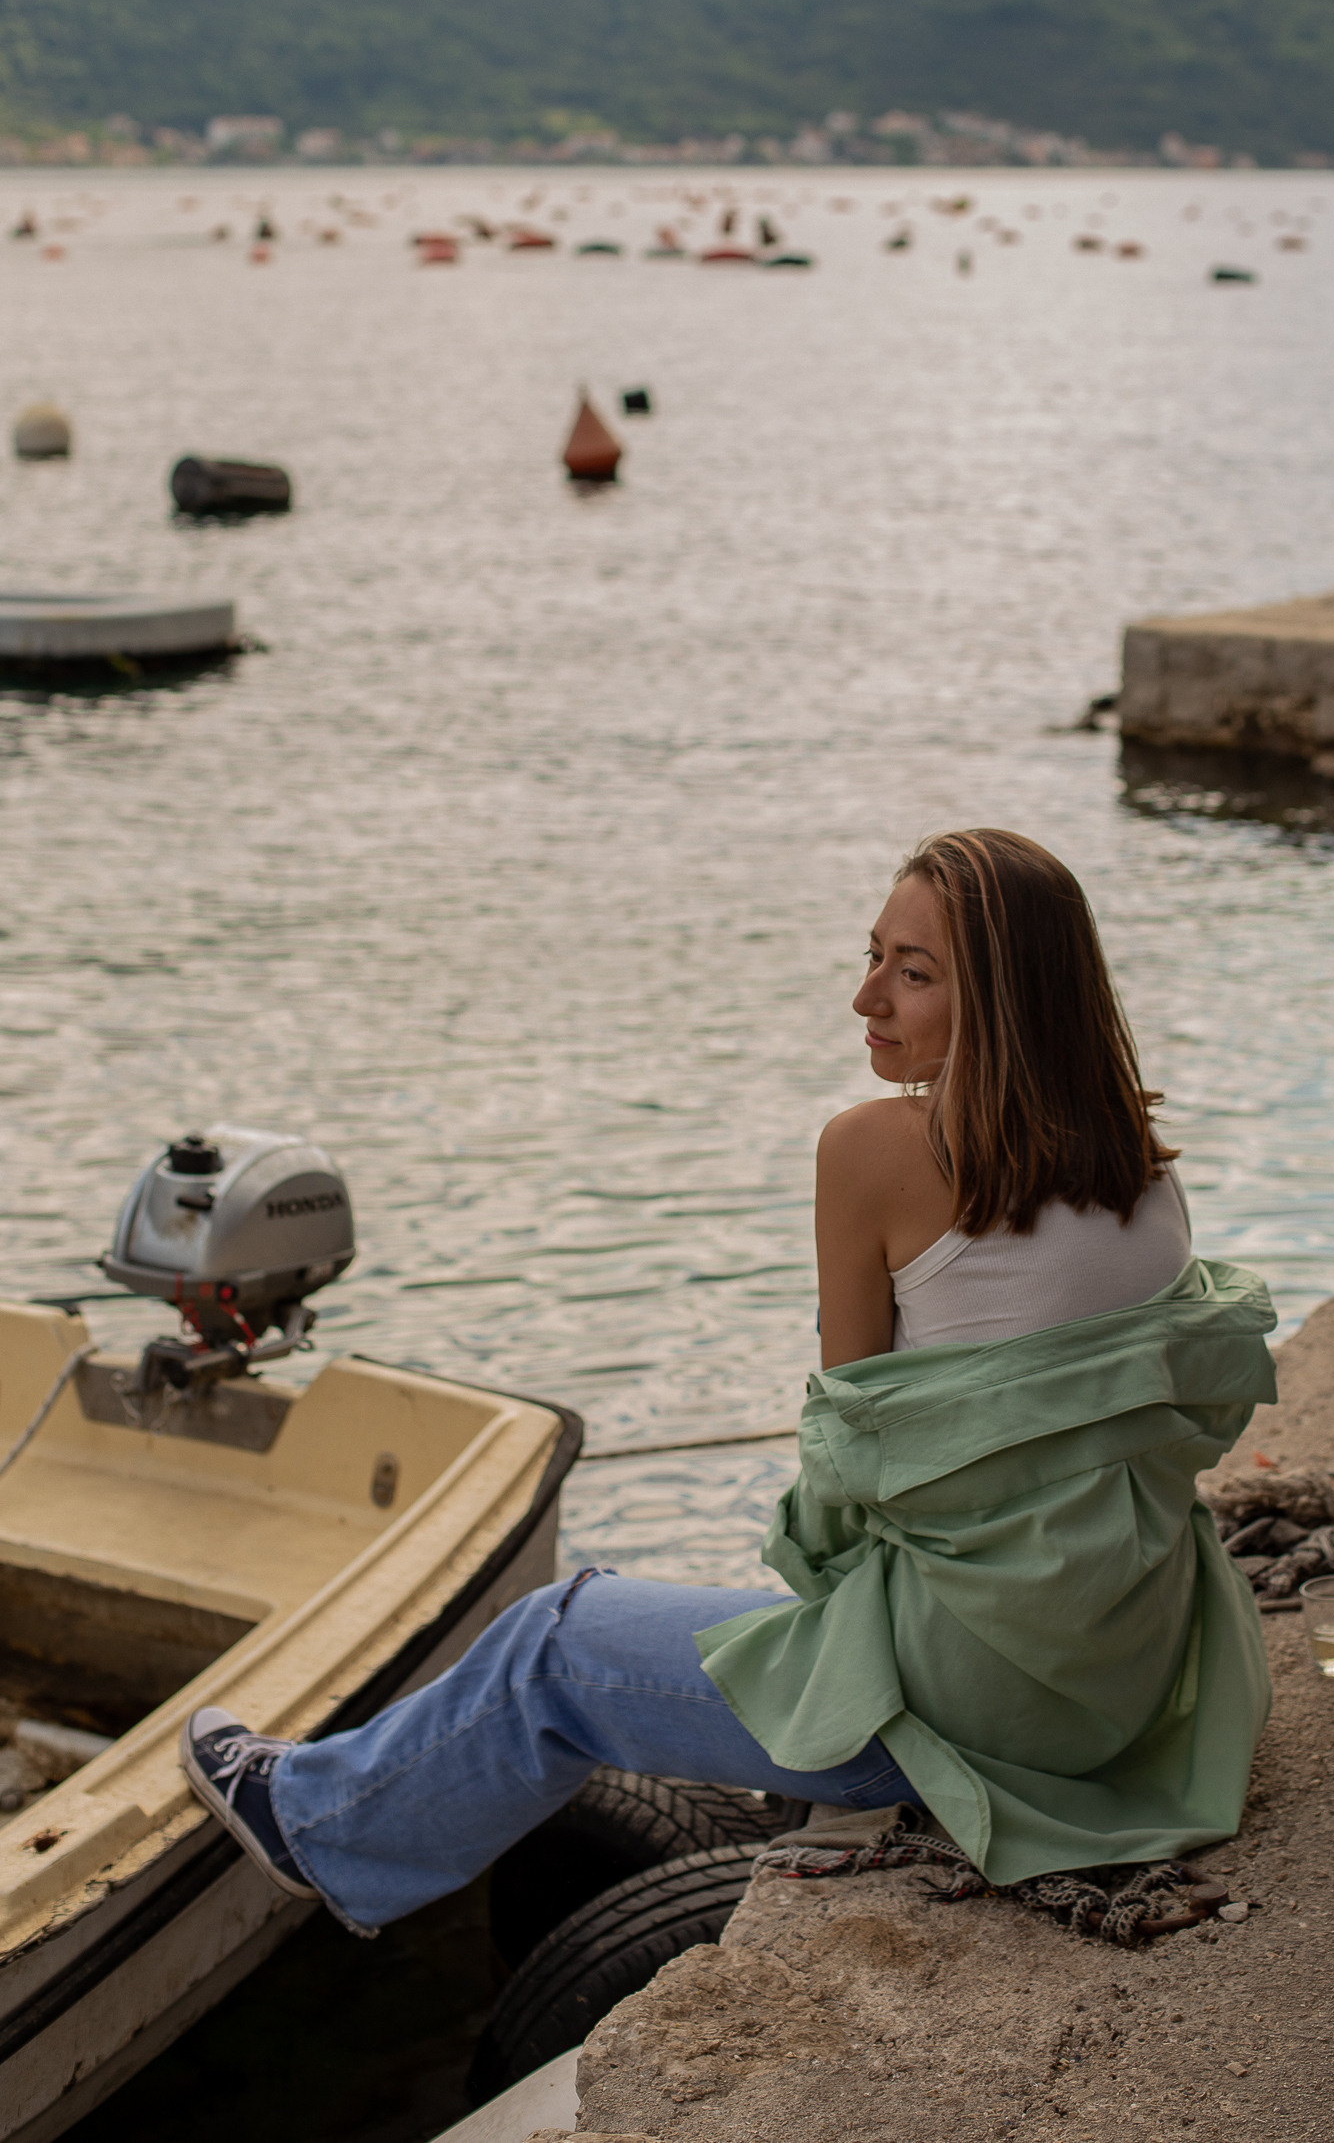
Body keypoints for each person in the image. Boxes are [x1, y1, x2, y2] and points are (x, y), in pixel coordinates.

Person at [183, 828, 1277, 1937]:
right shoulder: (1141, 1166)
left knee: (555, 1641)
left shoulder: (874, 1149)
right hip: (1127, 1682)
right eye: (872, 956)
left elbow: (847, 1467)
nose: (865, 998)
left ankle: (314, 1821)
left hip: (974, 1715)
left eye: (913, 972)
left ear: (1008, 999)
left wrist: (830, 1638)